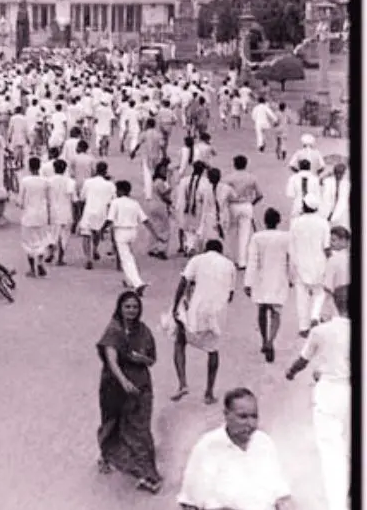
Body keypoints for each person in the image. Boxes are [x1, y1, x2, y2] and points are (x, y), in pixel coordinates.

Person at [284, 286, 349, 510]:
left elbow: (303, 360)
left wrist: (291, 372)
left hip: (331, 392)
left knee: (331, 451)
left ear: (335, 304)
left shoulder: (322, 331)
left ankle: (337, 503)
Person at [177, 387, 293, 510]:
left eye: (254, 417)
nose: (251, 424)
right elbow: (189, 504)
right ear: (226, 415)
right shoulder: (207, 447)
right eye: (243, 417)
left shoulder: (264, 443)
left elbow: (281, 495)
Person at [96, 291, 162, 494]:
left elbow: (152, 359)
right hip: (115, 386)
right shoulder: (113, 330)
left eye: (135, 307)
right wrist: (123, 381)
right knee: (112, 423)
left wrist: (141, 359)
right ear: (120, 308)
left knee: (139, 429)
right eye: (127, 307)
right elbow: (111, 360)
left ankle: (150, 475)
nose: (131, 311)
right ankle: (107, 455)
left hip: (140, 386)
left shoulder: (143, 331)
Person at [171, 239, 237, 405]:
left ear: (206, 249)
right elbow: (230, 295)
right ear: (220, 251)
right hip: (218, 312)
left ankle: (183, 383)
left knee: (180, 340)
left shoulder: (197, 260)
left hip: (197, 309)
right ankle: (209, 392)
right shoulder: (229, 265)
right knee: (213, 350)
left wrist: (175, 305)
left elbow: (183, 282)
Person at [100, 180, 164, 296]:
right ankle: (129, 280)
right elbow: (145, 220)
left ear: (121, 191)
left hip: (120, 231)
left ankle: (137, 283)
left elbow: (110, 220)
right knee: (129, 255)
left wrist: (101, 230)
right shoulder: (134, 203)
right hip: (133, 232)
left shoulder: (116, 202)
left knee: (126, 259)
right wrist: (156, 234)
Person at [243, 208, 291, 363]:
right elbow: (292, 259)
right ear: (278, 221)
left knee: (262, 310)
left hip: (261, 278)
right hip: (278, 277)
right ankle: (271, 340)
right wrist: (292, 278)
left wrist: (248, 282)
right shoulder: (286, 237)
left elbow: (252, 261)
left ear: (264, 221)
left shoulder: (257, 237)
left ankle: (264, 340)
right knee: (276, 312)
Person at [288, 193, 330, 337]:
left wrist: (291, 266)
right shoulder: (323, 223)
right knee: (320, 292)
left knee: (301, 296)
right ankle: (315, 316)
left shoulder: (295, 223)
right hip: (319, 262)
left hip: (300, 263)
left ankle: (303, 327)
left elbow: (291, 246)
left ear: (304, 206)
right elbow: (326, 246)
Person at [15, 156, 52, 277]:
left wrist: (19, 203)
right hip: (42, 214)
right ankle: (40, 263)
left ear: (29, 167)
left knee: (29, 242)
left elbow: (20, 200)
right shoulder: (45, 182)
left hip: (28, 215)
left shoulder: (25, 181)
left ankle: (32, 268)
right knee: (41, 240)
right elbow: (49, 199)